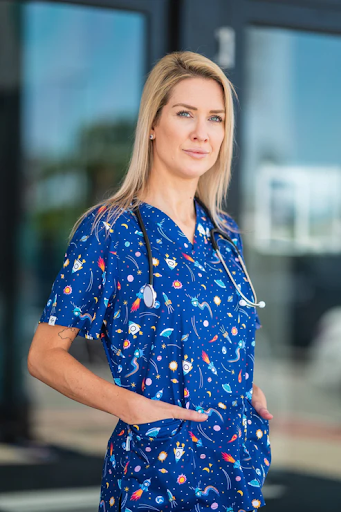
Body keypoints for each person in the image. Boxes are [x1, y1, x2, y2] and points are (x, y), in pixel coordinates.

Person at [28, 50, 273, 512]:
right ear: (154, 125)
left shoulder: (223, 232)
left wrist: (244, 386)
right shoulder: (110, 230)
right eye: (186, 114)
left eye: (216, 118)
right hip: (155, 476)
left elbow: (209, 334)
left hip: (234, 471)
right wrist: (129, 406)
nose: (203, 132)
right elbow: (43, 356)